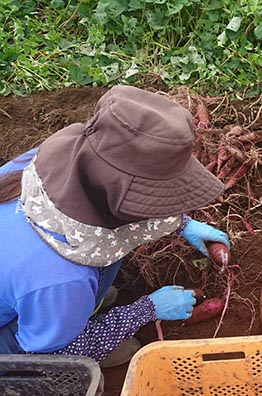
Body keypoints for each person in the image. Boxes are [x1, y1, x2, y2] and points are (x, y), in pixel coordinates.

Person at [0, 85, 230, 367]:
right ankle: (70, 320)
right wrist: (146, 310)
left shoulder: (54, 160)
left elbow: (110, 203)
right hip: (24, 339)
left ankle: (71, 313)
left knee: (65, 299)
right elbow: (51, 359)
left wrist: (181, 224)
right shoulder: (61, 279)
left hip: (39, 290)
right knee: (61, 345)